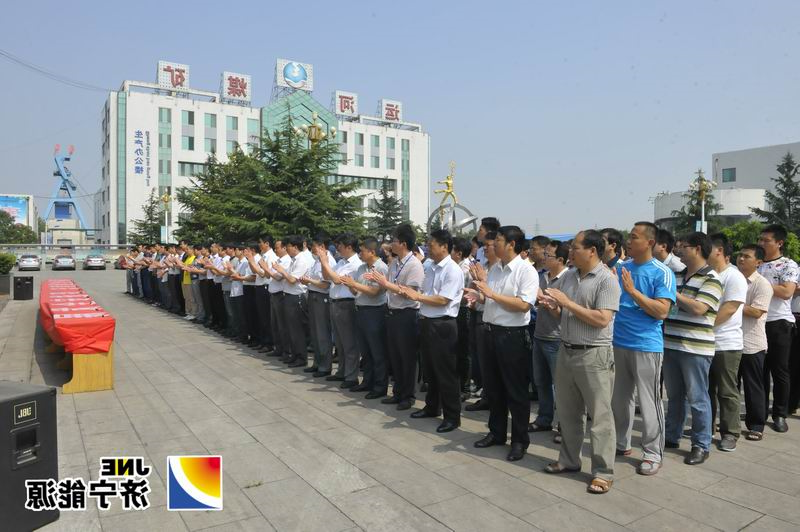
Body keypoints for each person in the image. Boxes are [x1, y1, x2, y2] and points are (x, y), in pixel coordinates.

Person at [540, 230, 620, 495]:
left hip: (594, 354)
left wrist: (567, 303)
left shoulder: (607, 280)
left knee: (600, 416)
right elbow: (562, 312)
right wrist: (553, 306)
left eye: (575, 248)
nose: (570, 252)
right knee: (568, 412)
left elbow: (602, 319)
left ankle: (603, 472)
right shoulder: (570, 276)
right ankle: (569, 460)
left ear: (592, 251)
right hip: (567, 350)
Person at [468, 225, 539, 461]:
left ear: (511, 244)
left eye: (497, 240)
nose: (492, 245)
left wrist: (490, 294)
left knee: (516, 391)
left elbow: (523, 305)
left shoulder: (526, 271)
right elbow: (492, 299)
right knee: (494, 388)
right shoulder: (496, 269)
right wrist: (479, 295)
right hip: (490, 333)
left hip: (512, 336)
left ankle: (519, 440)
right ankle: (496, 433)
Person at [612, 222, 675, 476]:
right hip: (619, 342)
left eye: (634, 237)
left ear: (650, 242)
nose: (629, 240)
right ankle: (621, 442)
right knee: (620, 398)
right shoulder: (622, 268)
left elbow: (662, 311)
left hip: (646, 345)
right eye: (629, 236)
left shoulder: (662, 272)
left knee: (649, 401)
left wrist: (633, 292)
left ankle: (652, 452)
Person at [663, 232, 723, 465]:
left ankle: (701, 445)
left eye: (683, 246)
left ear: (697, 249)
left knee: (698, 398)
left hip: (695, 348)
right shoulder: (676, 275)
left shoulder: (711, 278)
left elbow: (699, 308)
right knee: (675, 396)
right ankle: (672, 436)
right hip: (671, 343)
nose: (678, 249)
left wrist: (672, 293)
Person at [400, 229, 464, 433]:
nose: (427, 248)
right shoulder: (430, 266)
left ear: (444, 247)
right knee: (430, 369)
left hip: (443, 325)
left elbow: (443, 299)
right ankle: (432, 406)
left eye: (431, 245)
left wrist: (417, 297)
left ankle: (452, 417)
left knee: (446, 372)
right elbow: (426, 292)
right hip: (427, 321)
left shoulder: (453, 270)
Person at [366, 223, 425, 410]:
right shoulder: (394, 263)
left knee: (407, 357)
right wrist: (379, 282)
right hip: (392, 313)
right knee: (395, 356)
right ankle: (398, 392)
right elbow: (390, 286)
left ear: (404, 244)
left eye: (394, 240)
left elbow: (410, 293)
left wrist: (385, 283)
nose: (391, 244)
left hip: (407, 315)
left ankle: (408, 395)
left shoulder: (414, 265)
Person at [707, 233, 748, 452]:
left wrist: (705, 325)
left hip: (726, 343)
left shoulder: (734, 276)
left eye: (708, 248)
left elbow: (730, 308)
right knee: (705, 390)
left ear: (720, 251)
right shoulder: (708, 274)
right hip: (705, 342)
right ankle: (707, 428)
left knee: (726, 390)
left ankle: (730, 432)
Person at [757, 224, 799, 433]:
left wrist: (758, 284)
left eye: (766, 240)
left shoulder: (788, 265)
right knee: (759, 371)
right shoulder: (755, 263)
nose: (761, 243)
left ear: (779, 243)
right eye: (760, 239)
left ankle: (780, 413)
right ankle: (759, 411)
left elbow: (786, 292)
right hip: (756, 322)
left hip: (779, 322)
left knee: (780, 371)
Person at [529, 240, 569, 433]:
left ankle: (564, 424)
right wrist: (538, 300)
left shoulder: (568, 279)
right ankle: (544, 419)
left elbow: (564, 312)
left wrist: (548, 303)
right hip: (540, 335)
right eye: (544, 254)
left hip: (557, 338)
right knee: (542, 382)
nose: (544, 258)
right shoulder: (542, 277)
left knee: (561, 385)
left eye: (548, 255)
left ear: (560, 259)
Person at [342, 237, 389, 398]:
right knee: (365, 350)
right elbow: (356, 291)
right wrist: (350, 285)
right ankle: (367, 382)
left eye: (362, 251)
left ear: (372, 252)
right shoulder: (362, 268)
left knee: (377, 351)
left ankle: (380, 386)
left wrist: (354, 284)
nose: (360, 254)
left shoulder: (381, 268)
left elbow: (374, 292)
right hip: (361, 310)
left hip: (375, 312)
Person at [737, 244, 773, 441]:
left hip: (752, 343)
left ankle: (757, 424)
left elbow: (757, 312)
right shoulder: (733, 278)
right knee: (729, 387)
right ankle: (729, 422)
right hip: (731, 341)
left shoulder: (762, 284)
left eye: (747, 256)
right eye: (740, 255)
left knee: (753, 386)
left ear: (758, 262)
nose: (741, 259)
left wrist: (733, 302)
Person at [321, 233, 363, 388]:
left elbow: (337, 280)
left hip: (347, 304)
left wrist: (324, 262)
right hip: (335, 302)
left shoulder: (355, 264)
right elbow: (327, 276)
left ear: (349, 247)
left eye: (340, 246)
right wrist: (323, 263)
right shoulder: (341, 262)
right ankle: (342, 371)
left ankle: (351, 376)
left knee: (349, 342)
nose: (337, 248)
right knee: (339, 341)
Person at [465, 231, 499, 413]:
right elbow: (474, 288)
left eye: (489, 245)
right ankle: (486, 395)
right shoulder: (482, 266)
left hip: (492, 319)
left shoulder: (499, 269)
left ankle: (493, 399)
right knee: (479, 358)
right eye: (483, 245)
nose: (484, 248)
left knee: (490, 362)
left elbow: (493, 294)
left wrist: (481, 280)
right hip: (476, 314)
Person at [273, 235, 313, 367]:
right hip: (289, 296)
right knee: (291, 328)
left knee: (297, 329)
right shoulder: (293, 260)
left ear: (295, 247)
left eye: (288, 246)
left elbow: (291, 280)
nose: (286, 249)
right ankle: (295, 354)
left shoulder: (302, 261)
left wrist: (281, 270)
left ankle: (301, 357)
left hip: (297, 297)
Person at [301, 236, 337, 377]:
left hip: (322, 298)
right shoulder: (316, 260)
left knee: (322, 333)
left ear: (322, 246)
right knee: (315, 333)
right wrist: (306, 281)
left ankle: (325, 366)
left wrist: (309, 281)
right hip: (313, 295)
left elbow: (325, 284)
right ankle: (317, 363)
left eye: (314, 247)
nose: (312, 249)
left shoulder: (329, 261)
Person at [451, 237, 474, 401]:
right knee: (457, 350)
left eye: (451, 249)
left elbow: (467, 296)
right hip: (456, 310)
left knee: (463, 351)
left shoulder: (465, 269)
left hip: (463, 311)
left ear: (459, 253)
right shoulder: (456, 266)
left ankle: (464, 387)